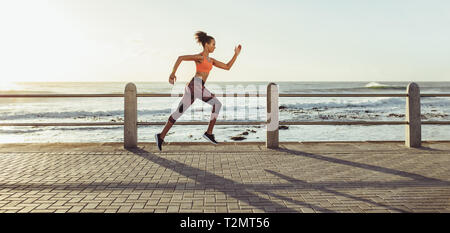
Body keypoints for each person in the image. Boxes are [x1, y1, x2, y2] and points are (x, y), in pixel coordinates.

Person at [155, 31, 242, 151]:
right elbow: (180, 58)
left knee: (178, 112)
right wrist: (172, 73)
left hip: (196, 86)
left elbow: (227, 67)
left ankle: (161, 136)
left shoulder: (211, 60)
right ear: (206, 45)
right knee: (217, 104)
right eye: (213, 44)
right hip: (195, 85)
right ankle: (209, 133)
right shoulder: (200, 57)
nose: (214, 47)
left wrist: (236, 55)